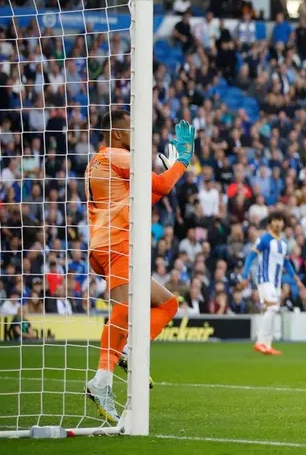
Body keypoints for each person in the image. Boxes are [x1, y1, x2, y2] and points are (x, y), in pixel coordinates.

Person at [85, 112, 195, 424]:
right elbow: (160, 185)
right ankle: (101, 381)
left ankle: (132, 351)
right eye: (131, 128)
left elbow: (151, 194)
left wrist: (168, 172)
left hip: (109, 241)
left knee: (167, 303)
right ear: (117, 134)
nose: (137, 133)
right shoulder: (118, 155)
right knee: (122, 310)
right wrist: (183, 160)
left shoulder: (98, 163)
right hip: (116, 241)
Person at [241, 212, 306, 356]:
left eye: (281, 221)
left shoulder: (283, 243)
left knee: (272, 311)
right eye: (275, 220)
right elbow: (251, 256)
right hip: (264, 279)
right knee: (273, 308)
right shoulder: (264, 239)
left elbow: (287, 263)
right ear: (270, 223)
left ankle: (268, 345)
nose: (278, 223)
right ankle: (259, 342)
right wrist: (245, 275)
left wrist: (296, 279)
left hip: (276, 282)